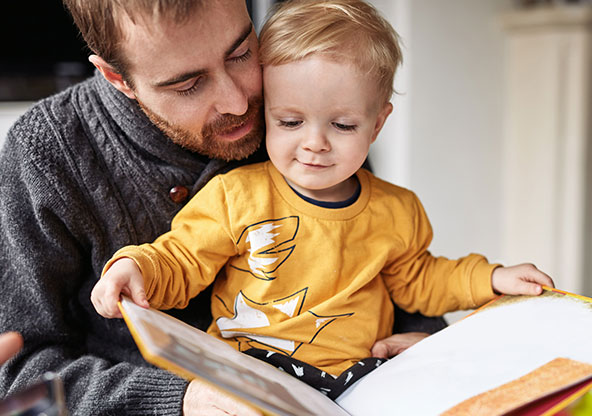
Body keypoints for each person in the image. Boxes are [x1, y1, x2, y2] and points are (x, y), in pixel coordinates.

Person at [91, 0, 555, 401]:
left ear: (376, 125)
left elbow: (420, 279)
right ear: (266, 109)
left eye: (343, 126)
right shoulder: (238, 195)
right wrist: (138, 269)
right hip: (253, 374)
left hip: (359, 378)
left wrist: (491, 278)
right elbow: (182, 260)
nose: (315, 144)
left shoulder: (397, 210)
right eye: (290, 122)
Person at [0, 0, 442, 414]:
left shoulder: (304, 101)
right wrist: (177, 401)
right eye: (188, 85)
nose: (239, 102)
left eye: (240, 53)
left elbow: (388, 260)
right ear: (117, 78)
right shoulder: (47, 153)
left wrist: (427, 342)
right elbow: (17, 379)